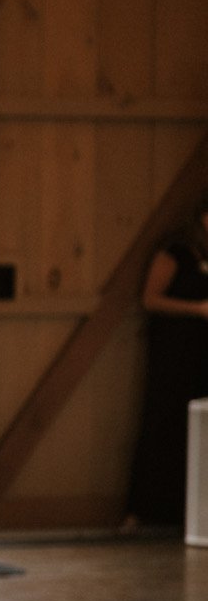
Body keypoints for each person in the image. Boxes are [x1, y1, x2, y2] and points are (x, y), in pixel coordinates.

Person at [124, 194, 208, 532]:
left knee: (199, 431)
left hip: (203, 354)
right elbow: (150, 299)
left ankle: (192, 513)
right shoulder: (175, 253)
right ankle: (141, 512)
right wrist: (197, 310)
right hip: (173, 352)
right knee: (162, 426)